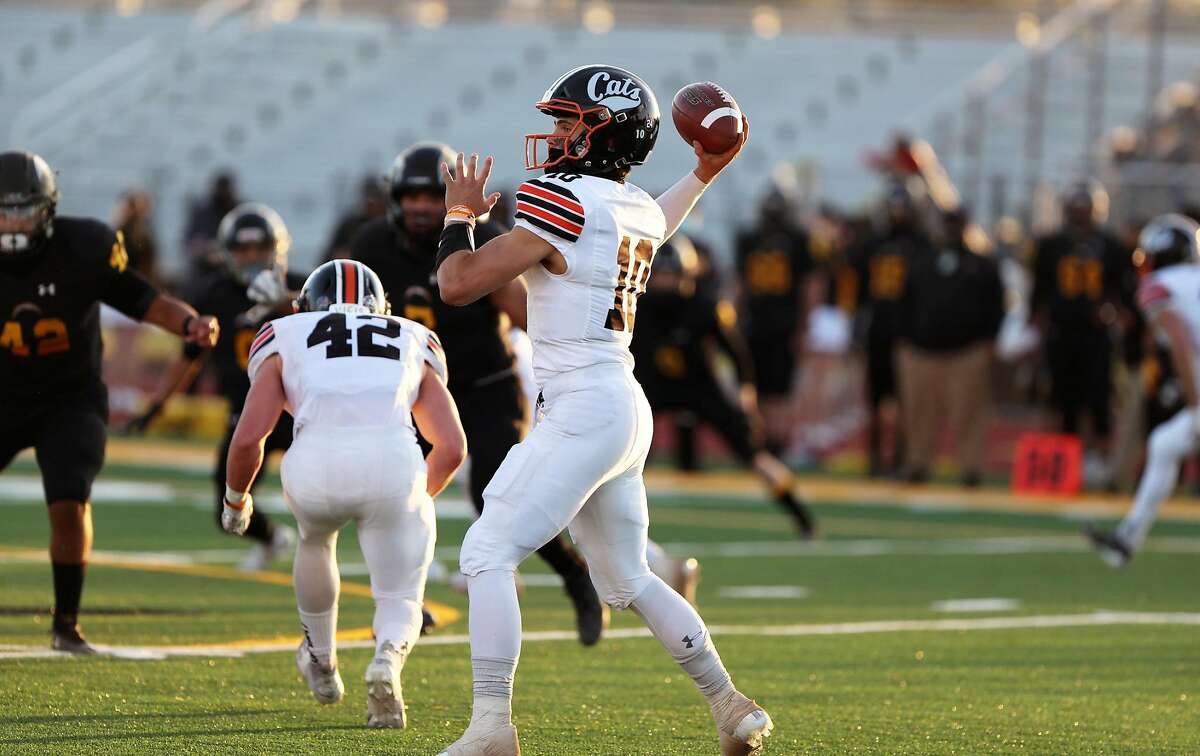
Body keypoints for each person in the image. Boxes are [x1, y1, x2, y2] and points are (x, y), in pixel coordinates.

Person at [433, 64, 772, 756]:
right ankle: (728, 704)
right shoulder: (636, 208)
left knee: (487, 551)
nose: (555, 135)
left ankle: (492, 726)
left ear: (602, 133)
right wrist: (704, 173)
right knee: (627, 577)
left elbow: (457, 284)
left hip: (584, 406)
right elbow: (661, 218)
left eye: (568, 122)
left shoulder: (564, 199)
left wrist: (459, 216)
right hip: (620, 405)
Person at [349, 142, 606, 645]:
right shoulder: (371, 243)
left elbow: (523, 313)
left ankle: (575, 576)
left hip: (487, 381)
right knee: (398, 490)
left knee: (498, 488)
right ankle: (407, 600)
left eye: (433, 195)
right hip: (420, 388)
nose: (423, 206)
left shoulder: (481, 236)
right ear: (395, 198)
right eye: (413, 195)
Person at [221, 259, 466, 728]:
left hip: (315, 465)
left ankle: (321, 658)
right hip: (394, 461)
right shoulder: (412, 335)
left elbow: (251, 436)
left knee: (316, 541)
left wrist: (236, 500)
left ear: (306, 305)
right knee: (400, 596)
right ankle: (387, 661)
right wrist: (412, 498)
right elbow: (451, 446)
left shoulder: (284, 333)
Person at [0, 151, 218, 653]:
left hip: (68, 397)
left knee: (69, 502)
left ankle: (66, 623)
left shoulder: (84, 246)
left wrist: (188, 322)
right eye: (4, 211)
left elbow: (144, 300)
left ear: (48, 210)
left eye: (22, 210)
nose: (12, 223)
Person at [130, 204, 304, 570]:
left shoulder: (306, 288)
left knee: (333, 489)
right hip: (248, 412)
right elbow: (191, 355)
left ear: (278, 249)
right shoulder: (215, 294)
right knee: (228, 506)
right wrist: (159, 404)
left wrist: (288, 303)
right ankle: (274, 538)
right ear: (226, 253)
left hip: (301, 409)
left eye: (260, 249)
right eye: (242, 250)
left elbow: (344, 329)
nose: (252, 258)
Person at [633, 235, 816, 537]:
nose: (665, 282)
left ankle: (801, 515)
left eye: (671, 274)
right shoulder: (639, 306)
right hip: (655, 388)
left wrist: (745, 395)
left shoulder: (705, 307)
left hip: (701, 388)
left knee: (754, 455)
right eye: (660, 274)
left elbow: (735, 354)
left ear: (686, 274)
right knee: (624, 456)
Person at [1086, 214, 1200, 566]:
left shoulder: (1160, 286)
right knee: (1164, 444)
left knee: (1165, 442)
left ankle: (1128, 537)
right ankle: (1127, 538)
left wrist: (1195, 404)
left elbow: (1179, 338)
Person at [1031, 181, 1136, 485]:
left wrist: (1115, 315)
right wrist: (1037, 327)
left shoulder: (1112, 247)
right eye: (1075, 209)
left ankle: (1101, 465)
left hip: (1097, 336)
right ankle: (1064, 467)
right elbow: (1039, 293)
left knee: (1100, 401)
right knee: (1063, 401)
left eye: (1084, 209)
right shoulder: (1051, 245)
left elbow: (1124, 293)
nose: (1079, 215)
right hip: (1061, 334)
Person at [896, 209, 1005, 485]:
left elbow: (996, 307)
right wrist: (905, 342)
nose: (951, 231)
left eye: (956, 225)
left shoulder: (981, 265)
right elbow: (904, 302)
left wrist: (989, 343)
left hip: (966, 352)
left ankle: (970, 468)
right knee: (919, 413)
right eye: (947, 225)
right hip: (922, 351)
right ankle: (917, 463)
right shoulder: (920, 261)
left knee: (968, 413)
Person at [847, 182, 933, 476]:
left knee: (902, 399)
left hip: (905, 332)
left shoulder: (918, 244)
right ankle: (876, 457)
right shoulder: (876, 243)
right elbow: (856, 285)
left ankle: (899, 457)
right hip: (879, 329)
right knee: (876, 398)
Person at [734, 184, 811, 454]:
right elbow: (809, 287)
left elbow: (739, 286)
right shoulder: (794, 239)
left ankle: (770, 443)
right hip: (773, 323)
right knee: (767, 388)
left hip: (772, 324)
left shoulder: (761, 238)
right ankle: (770, 442)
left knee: (769, 388)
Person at [183, 170, 240, 277]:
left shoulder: (239, 210)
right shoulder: (202, 213)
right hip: (207, 270)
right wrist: (207, 253)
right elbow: (191, 243)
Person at [322, 176, 387, 262]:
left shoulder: (389, 226)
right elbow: (328, 257)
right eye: (368, 199)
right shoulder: (350, 225)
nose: (371, 204)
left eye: (375, 200)